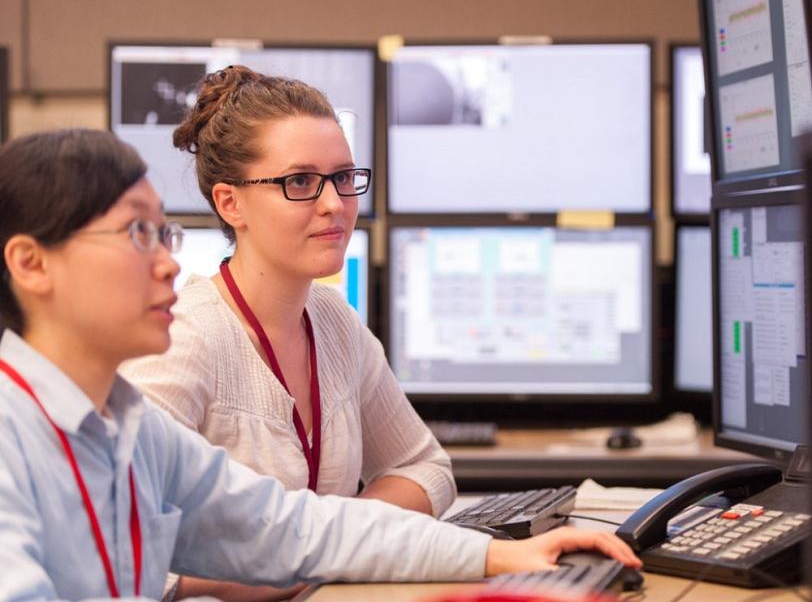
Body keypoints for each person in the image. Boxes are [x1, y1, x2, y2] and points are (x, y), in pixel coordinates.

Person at [0, 128, 641, 601]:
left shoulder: (129, 426)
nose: (169, 263)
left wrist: (500, 558)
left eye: (163, 235)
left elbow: (297, 527)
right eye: (137, 234)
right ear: (31, 263)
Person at [120, 66, 458, 598]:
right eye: (300, 182)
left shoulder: (334, 322)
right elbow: (121, 554)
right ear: (231, 203)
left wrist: (336, 537)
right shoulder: (183, 340)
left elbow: (426, 469)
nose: (335, 204)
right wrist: (317, 553)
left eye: (344, 177)